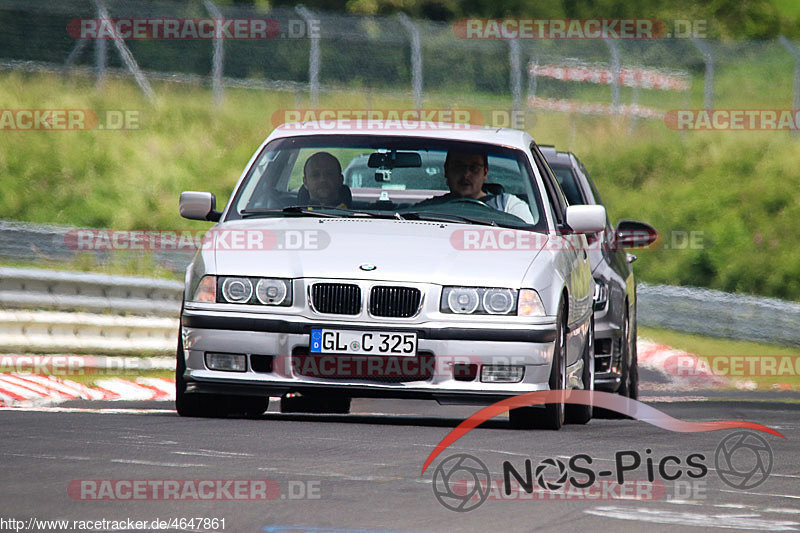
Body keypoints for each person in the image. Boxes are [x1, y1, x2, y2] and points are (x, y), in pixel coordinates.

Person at [416, 150, 534, 223]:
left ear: (485, 172)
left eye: (474, 168)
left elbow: (531, 239)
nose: (466, 174)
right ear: (446, 170)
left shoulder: (509, 206)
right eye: (458, 167)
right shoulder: (428, 209)